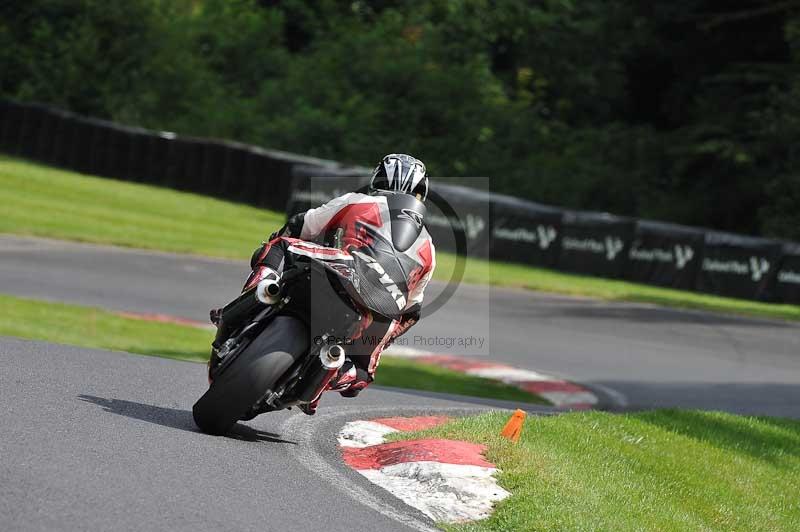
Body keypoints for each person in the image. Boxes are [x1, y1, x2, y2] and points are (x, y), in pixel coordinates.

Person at [211, 154, 436, 415]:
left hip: (340, 268)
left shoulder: (358, 200)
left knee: (279, 246)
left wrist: (278, 243)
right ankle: (326, 377)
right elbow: (411, 312)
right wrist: (381, 340)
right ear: (422, 194)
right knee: (362, 372)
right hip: (383, 306)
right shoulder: (429, 247)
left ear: (378, 179)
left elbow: (301, 224)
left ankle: (252, 299)